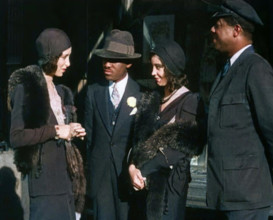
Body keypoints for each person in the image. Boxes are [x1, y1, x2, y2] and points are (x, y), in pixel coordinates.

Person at [8, 28, 86, 220]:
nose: (68, 63)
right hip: (44, 185)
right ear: (50, 56)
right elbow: (16, 137)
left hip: (66, 182)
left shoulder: (61, 91)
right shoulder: (26, 89)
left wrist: (72, 130)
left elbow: (61, 130)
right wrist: (57, 130)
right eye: (64, 57)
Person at [206, 0, 273, 219]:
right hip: (225, 196)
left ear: (236, 30)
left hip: (248, 199)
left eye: (218, 24)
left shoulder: (256, 68)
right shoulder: (227, 70)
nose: (212, 29)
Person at [128, 40, 205, 220]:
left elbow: (179, 148)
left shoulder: (189, 101)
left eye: (159, 67)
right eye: (152, 67)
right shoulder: (152, 100)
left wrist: (144, 169)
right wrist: (132, 168)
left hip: (169, 189)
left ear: (172, 68)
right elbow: (138, 142)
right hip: (142, 186)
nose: (153, 72)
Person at [84, 29, 142, 220]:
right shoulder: (93, 92)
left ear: (128, 63)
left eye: (114, 60)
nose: (107, 65)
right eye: (104, 59)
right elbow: (89, 137)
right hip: (100, 176)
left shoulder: (142, 95)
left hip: (127, 177)